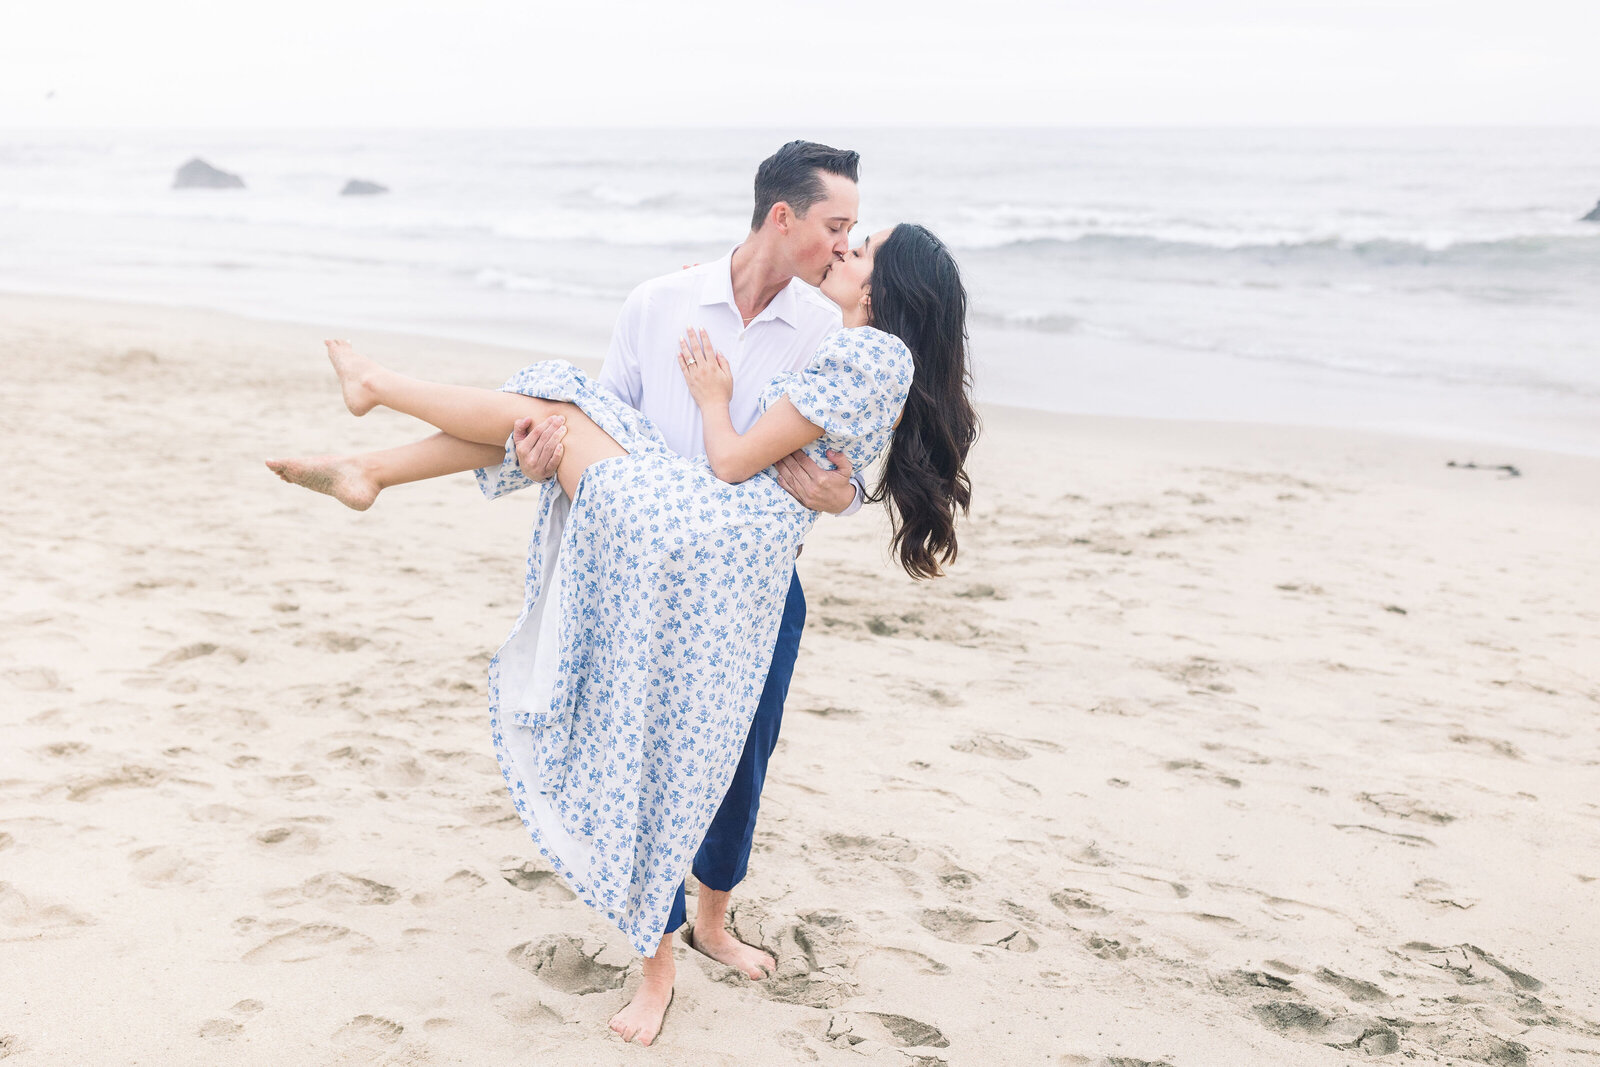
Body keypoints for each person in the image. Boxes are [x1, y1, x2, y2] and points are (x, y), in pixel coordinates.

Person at [266, 222, 977, 1046]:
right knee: (552, 408)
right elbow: (637, 422)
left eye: (858, 245)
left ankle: (377, 415)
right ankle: (372, 457)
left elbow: (759, 463)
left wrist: (750, 426)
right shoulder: (667, 302)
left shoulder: (849, 341)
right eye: (838, 230)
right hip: (690, 531)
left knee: (724, 766)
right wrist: (544, 460)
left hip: (709, 541)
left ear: (882, 288)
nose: (843, 246)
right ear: (782, 217)